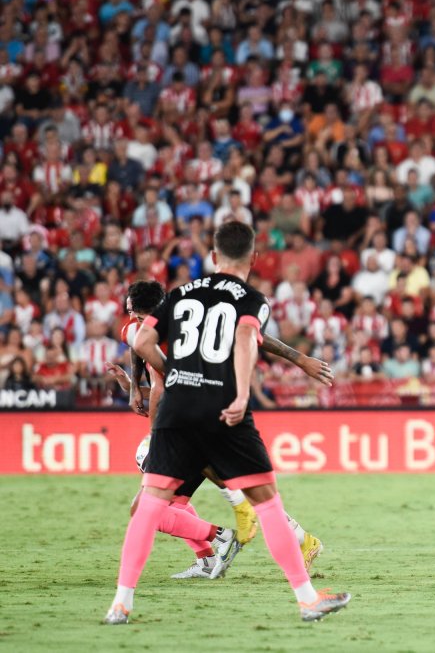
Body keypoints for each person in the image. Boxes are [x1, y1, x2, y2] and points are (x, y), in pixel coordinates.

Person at [104, 222, 350, 624]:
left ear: (213, 257)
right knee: (267, 502)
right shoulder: (252, 299)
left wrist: (175, 376)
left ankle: (121, 603)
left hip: (175, 412)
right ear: (253, 259)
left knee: (148, 506)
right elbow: (246, 341)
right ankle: (306, 598)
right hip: (222, 409)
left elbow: (144, 342)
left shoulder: (180, 295)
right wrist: (241, 394)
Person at [106, 280, 332, 578]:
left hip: (202, 422)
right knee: (233, 494)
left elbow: (253, 334)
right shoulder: (141, 333)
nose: (135, 323)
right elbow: (136, 345)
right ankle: (282, 541)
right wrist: (134, 385)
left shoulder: (190, 332)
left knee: (152, 506)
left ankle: (221, 538)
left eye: (138, 316)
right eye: (133, 317)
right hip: (187, 424)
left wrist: (300, 359)